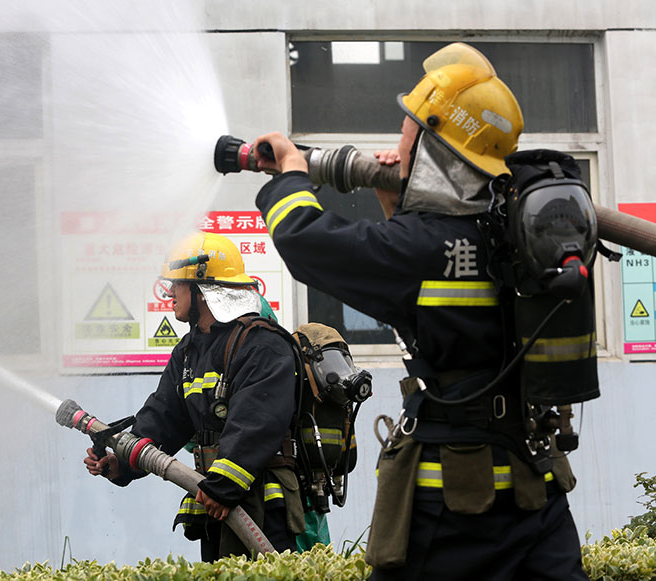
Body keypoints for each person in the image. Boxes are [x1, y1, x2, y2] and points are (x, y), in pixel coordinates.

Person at [250, 42, 588, 579]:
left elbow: (309, 243)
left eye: (409, 131)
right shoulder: (521, 230)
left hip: (453, 507)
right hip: (535, 489)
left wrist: (290, 174)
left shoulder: (422, 248)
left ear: (436, 149)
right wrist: (400, 207)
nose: (399, 145)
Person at [83, 231, 305, 561]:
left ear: (202, 289)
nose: (170, 291)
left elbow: (257, 422)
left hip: (262, 503)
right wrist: (120, 464)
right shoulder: (189, 352)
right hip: (215, 497)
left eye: (178, 283)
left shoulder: (262, 344)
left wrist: (226, 484)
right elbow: (163, 418)